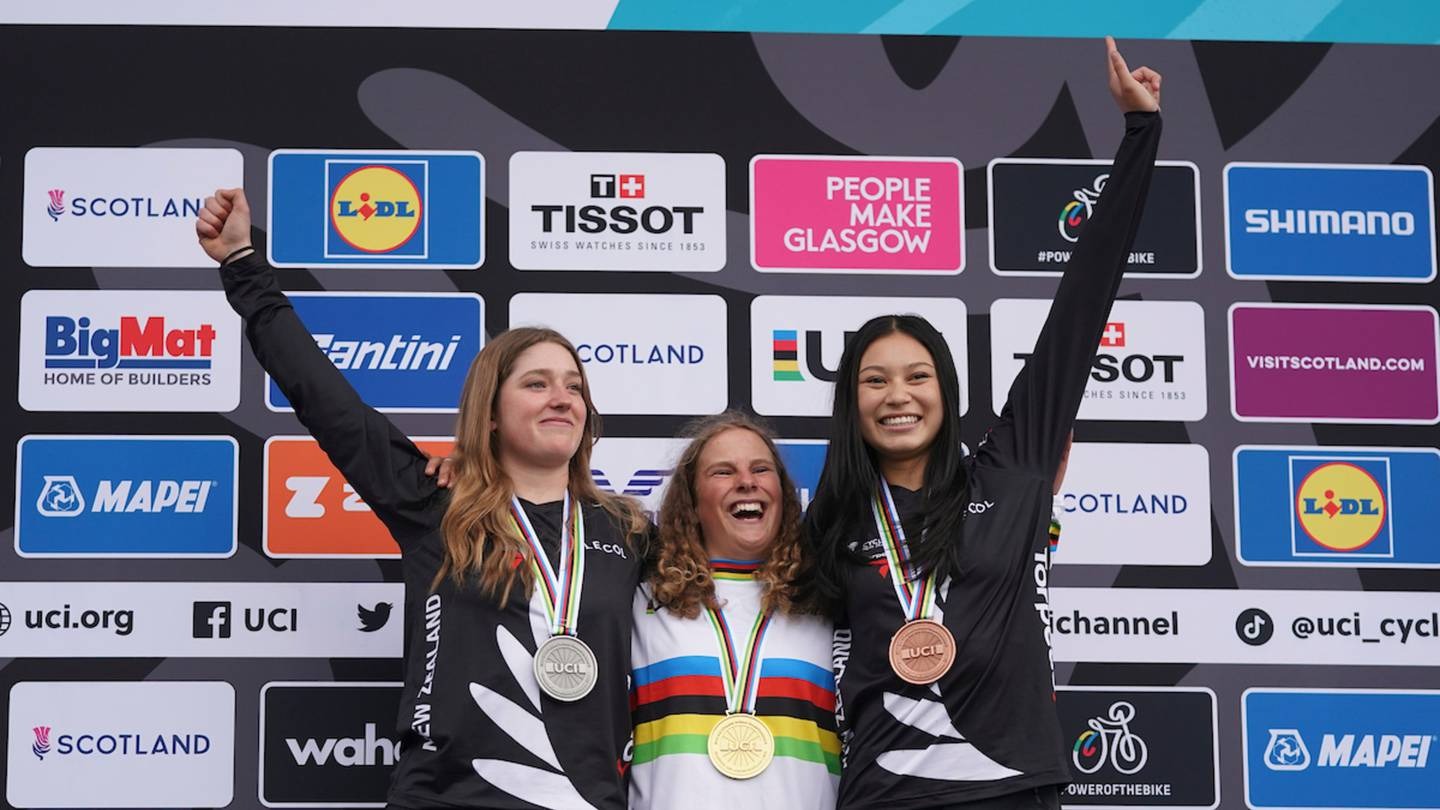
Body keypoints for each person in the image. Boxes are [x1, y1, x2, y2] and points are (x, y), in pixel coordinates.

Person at [196, 193, 649, 810]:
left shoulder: (629, 532)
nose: (562, 398)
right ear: (490, 412)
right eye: (536, 383)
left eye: (574, 386)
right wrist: (241, 264)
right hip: (445, 796)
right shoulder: (436, 501)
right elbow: (326, 399)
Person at [803, 37, 1162, 810]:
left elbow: (1082, 304)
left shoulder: (1012, 468)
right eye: (874, 380)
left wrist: (1140, 135)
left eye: (917, 376)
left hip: (1012, 788)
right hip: (885, 795)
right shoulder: (831, 519)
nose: (898, 396)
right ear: (851, 403)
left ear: (947, 390)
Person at [629, 412, 839, 808]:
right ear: (691, 503)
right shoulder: (643, 603)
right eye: (723, 472)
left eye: (760, 469)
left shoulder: (826, 603)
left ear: (783, 494)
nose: (746, 481)